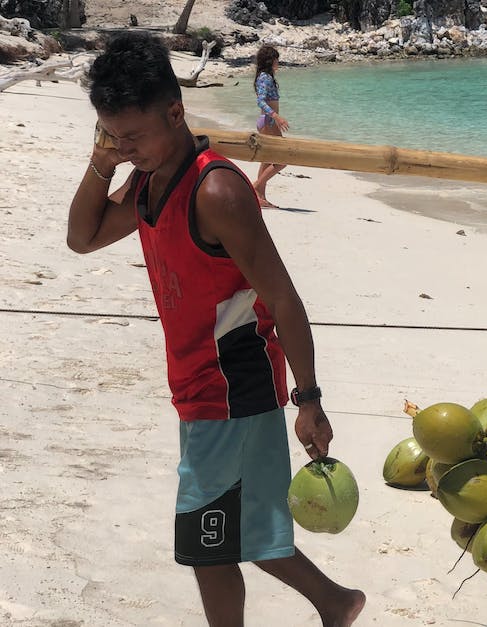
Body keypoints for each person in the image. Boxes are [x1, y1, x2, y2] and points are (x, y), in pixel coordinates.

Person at [67, 32, 364, 626]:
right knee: (240, 526)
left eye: (133, 135)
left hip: (232, 382)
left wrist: (309, 400)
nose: (124, 148)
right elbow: (84, 237)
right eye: (112, 135)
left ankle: (333, 603)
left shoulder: (218, 191)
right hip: (198, 380)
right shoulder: (149, 179)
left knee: (207, 541)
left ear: (175, 112)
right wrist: (102, 163)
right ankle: (335, 603)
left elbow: (283, 298)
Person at [253, 45, 289, 208]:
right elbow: (260, 101)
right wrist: (277, 117)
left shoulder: (266, 76)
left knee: (267, 161)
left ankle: (260, 197)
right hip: (269, 122)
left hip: (268, 122)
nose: (278, 63)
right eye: (276, 59)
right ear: (270, 60)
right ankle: (254, 187)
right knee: (282, 160)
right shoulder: (265, 77)